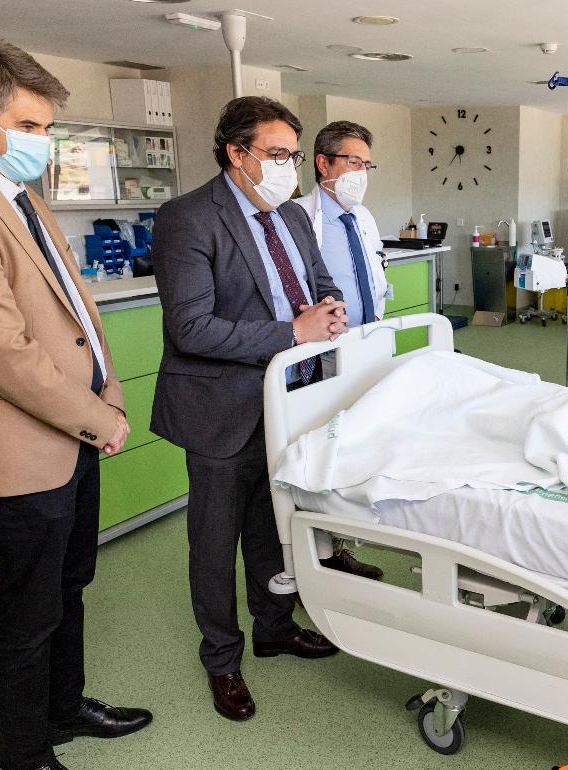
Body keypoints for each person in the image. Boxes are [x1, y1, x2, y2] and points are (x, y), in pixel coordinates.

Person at [0, 36, 151, 770]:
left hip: (69, 432)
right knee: (25, 612)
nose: (44, 143)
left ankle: (63, 707)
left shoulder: (21, 197)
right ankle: (26, 752)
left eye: (48, 128)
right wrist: (98, 414)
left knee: (69, 587)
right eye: (33, 127)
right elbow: (3, 355)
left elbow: (74, 311)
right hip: (17, 448)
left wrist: (107, 384)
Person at [150, 96, 347, 723]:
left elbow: (320, 281)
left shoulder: (289, 215)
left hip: (286, 401)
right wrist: (294, 331)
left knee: (272, 523)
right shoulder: (188, 218)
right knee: (214, 541)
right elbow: (190, 327)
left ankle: (274, 626)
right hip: (219, 406)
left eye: (294, 154)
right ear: (237, 155)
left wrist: (332, 308)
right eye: (277, 155)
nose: (289, 167)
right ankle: (222, 659)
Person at [292, 120, 387, 581]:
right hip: (326, 354)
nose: (361, 173)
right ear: (322, 162)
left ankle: (337, 547)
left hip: (368, 346)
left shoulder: (362, 217)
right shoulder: (298, 219)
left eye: (367, 164)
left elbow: (374, 279)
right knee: (323, 449)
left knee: (357, 445)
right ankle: (320, 557)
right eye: (352, 161)